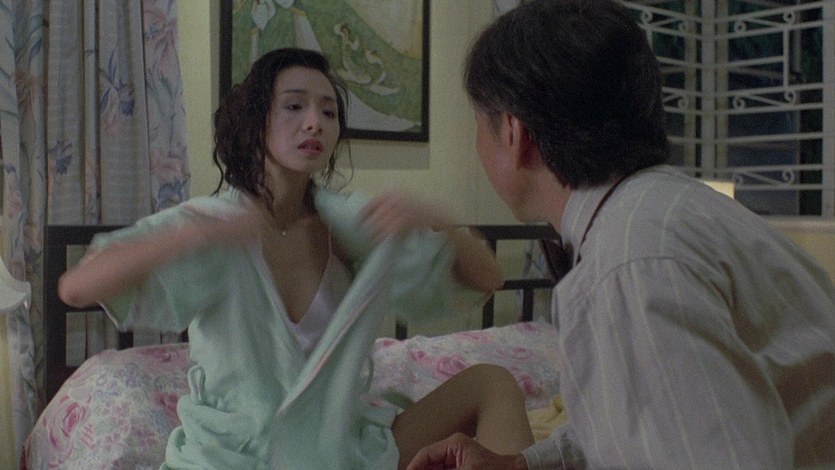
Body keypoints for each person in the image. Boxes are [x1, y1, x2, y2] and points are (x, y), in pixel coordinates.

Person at [406, 0, 835, 469]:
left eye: (478, 124)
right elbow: (658, 422)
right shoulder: (675, 211)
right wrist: (522, 463)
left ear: (512, 133)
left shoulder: (630, 265)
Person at [58, 47, 533, 469]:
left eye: (328, 112)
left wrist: (433, 216)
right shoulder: (214, 225)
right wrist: (193, 236)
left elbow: (487, 277)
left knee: (492, 382)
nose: (314, 123)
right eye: (294, 106)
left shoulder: (348, 227)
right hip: (235, 455)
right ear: (257, 119)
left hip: (339, 448)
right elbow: (77, 286)